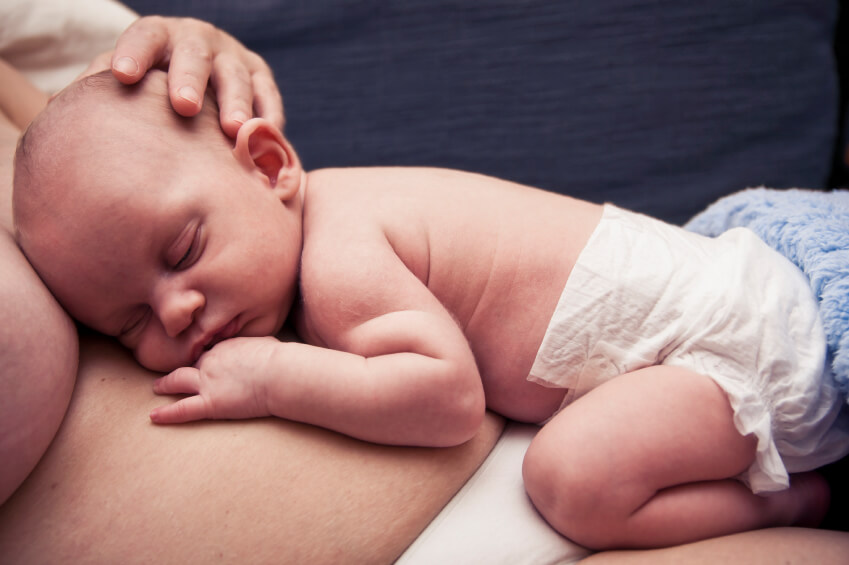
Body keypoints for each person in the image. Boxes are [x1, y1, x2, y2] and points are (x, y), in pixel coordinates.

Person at [13, 64, 849, 551]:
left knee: (570, 479)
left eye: (184, 252)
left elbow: (444, 399)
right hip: (712, 331)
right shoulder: (305, 236)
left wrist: (273, 376)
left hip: (734, 349)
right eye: (130, 323)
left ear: (269, 167)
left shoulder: (339, 255)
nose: (179, 311)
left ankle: (789, 499)